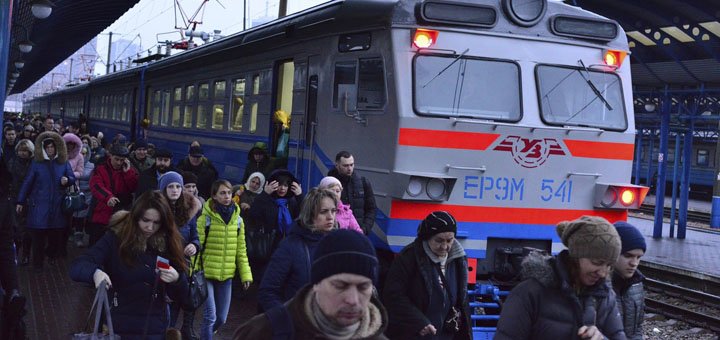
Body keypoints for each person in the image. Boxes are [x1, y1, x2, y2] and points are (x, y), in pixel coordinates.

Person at [69, 191, 190, 340]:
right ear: (136, 216)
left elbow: (186, 298)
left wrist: (177, 279)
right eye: (145, 220)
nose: (150, 227)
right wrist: (95, 272)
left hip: (153, 328)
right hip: (117, 327)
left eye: (156, 222)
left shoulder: (167, 243)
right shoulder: (115, 238)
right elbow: (78, 266)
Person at [234, 229, 389, 339]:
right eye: (340, 286)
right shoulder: (263, 332)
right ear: (316, 283)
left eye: (363, 287)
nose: (352, 300)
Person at [495, 216, 626, 340]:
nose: (603, 273)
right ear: (576, 256)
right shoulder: (530, 293)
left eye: (609, 265)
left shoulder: (606, 298)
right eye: (597, 262)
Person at [383, 211, 472, 339]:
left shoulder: (458, 259)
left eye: (449, 240)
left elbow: (462, 300)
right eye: (439, 240)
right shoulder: (409, 257)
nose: (444, 246)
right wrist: (418, 322)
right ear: (427, 237)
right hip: (415, 334)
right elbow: (393, 296)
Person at [258, 188, 338, 312]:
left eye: (333, 211)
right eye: (323, 212)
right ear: (310, 214)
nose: (330, 217)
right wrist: (286, 320)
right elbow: (268, 291)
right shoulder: (291, 246)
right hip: (298, 324)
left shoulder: (337, 244)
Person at [197, 179, 252, 338]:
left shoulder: (238, 221)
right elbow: (197, 248)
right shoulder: (205, 219)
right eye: (222, 193)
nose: (227, 196)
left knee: (221, 318)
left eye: (229, 192)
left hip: (226, 276)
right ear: (214, 196)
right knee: (210, 316)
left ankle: (205, 333)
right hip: (206, 274)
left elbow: (241, 250)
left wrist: (245, 274)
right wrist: (194, 271)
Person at [15, 131, 76, 271]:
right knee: (38, 237)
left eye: (52, 147)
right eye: (47, 147)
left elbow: (71, 177)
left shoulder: (63, 163)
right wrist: (20, 200)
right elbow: (27, 182)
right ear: (43, 148)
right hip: (39, 205)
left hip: (57, 205)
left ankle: (51, 255)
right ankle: (38, 264)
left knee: (55, 236)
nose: (50, 149)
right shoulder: (37, 164)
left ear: (56, 148)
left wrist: (68, 180)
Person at [159, 172, 202, 340]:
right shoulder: (157, 211)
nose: (175, 190)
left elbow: (195, 236)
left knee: (174, 313)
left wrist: (194, 245)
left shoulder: (188, 212)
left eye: (178, 186)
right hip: (162, 267)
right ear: (164, 189)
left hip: (182, 268)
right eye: (170, 186)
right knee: (162, 313)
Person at [87, 143, 139, 246]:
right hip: (102, 212)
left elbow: (134, 187)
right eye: (117, 159)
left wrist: (127, 173)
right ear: (110, 156)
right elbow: (96, 186)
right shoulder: (100, 169)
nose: (119, 163)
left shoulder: (129, 171)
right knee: (97, 243)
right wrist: (108, 197)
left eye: (122, 160)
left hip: (120, 213)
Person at [612, 221, 647, 340]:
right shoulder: (597, 285)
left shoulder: (636, 284)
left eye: (638, 257)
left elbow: (637, 328)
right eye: (628, 256)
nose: (634, 263)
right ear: (612, 253)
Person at [328, 151, 377, 235]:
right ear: (337, 165)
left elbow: (371, 209)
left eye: (351, 164)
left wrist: (364, 229)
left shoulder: (363, 182)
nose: (349, 168)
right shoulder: (329, 184)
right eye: (345, 165)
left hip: (358, 233)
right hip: (337, 234)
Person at [248, 169, 302, 241]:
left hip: (287, 243)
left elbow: (304, 216)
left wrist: (299, 196)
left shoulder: (292, 202)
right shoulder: (266, 199)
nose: (282, 188)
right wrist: (265, 194)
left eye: (285, 185)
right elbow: (253, 214)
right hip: (268, 244)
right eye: (279, 185)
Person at [7, 139, 34, 265]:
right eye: (21, 150)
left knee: (28, 229)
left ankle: (26, 254)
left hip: (29, 200)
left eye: (26, 151)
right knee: (16, 227)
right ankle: (16, 253)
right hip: (14, 198)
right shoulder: (12, 163)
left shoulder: (34, 164)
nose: (23, 153)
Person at [72, 144, 94, 248]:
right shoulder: (72, 163)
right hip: (74, 193)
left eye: (85, 153)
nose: (82, 156)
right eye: (80, 153)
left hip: (87, 195)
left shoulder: (92, 166)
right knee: (74, 216)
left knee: (82, 217)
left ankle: (79, 237)